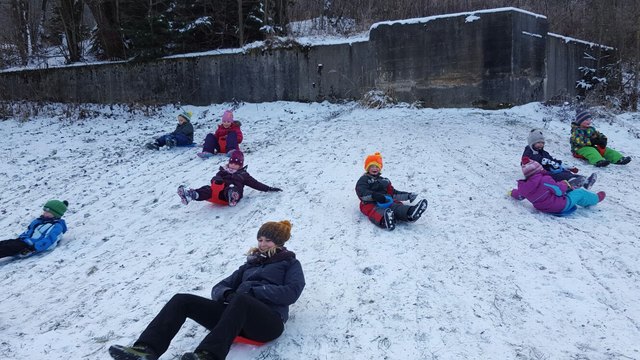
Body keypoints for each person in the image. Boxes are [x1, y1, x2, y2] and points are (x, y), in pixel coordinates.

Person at [108, 220, 305, 360]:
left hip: (268, 323)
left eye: (268, 240)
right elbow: (218, 288)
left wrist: (254, 291)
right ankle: (146, 350)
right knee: (182, 300)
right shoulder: (249, 265)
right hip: (236, 317)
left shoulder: (290, 263)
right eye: (260, 239)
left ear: (279, 242)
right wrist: (228, 294)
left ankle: (208, 355)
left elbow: (292, 292)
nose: (262, 244)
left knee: (242, 300)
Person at [178, 150, 282, 207]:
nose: (232, 165)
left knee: (232, 187)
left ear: (240, 165)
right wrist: (216, 179)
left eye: (236, 164)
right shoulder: (223, 170)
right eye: (231, 162)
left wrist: (269, 188)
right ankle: (191, 195)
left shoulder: (243, 175)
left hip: (228, 196)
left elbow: (256, 184)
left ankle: (232, 196)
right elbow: (214, 178)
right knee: (207, 188)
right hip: (217, 194)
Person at [355, 152, 428, 230]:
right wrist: (374, 195)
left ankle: (410, 213)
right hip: (369, 202)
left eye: (376, 166)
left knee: (395, 205)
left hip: (385, 200)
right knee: (374, 210)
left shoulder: (384, 180)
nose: (374, 168)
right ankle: (385, 220)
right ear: (367, 168)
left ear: (380, 168)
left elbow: (393, 193)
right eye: (372, 166)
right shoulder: (364, 179)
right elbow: (361, 192)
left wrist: (408, 195)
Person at [509, 157, 605, 215]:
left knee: (562, 192)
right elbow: (559, 191)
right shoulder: (545, 179)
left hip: (541, 207)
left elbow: (519, 195)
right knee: (579, 193)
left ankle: (576, 189)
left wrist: (511, 192)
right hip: (558, 206)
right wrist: (563, 184)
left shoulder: (524, 187)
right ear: (539, 169)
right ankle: (596, 198)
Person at [523, 129, 596, 189]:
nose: (541, 144)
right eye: (538, 142)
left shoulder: (544, 153)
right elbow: (530, 160)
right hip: (538, 174)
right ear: (532, 143)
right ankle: (572, 182)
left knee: (565, 172)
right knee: (559, 175)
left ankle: (585, 181)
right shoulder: (529, 152)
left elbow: (552, 160)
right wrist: (547, 161)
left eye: (542, 142)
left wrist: (563, 165)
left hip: (549, 170)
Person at [0, 200, 68, 259]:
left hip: (30, 246)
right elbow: (28, 231)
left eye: (48, 212)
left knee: (6, 248)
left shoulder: (57, 226)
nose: (44, 213)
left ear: (56, 214)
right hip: (22, 241)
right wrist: (21, 237)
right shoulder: (39, 221)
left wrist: (33, 248)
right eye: (44, 211)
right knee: (4, 243)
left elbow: (50, 240)